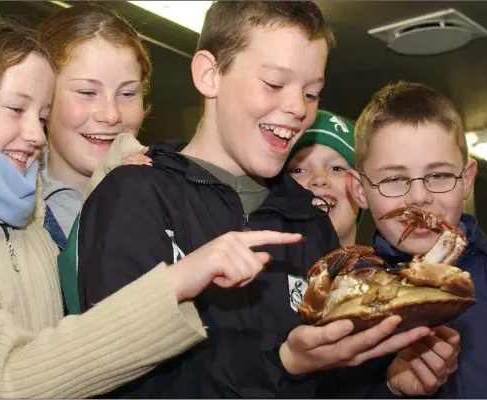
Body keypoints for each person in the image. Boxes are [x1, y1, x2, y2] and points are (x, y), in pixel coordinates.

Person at [0, 20, 301, 399]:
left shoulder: (23, 222)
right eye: (16, 110)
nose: (37, 135)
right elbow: (8, 378)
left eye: (42, 116)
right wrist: (177, 281)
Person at [73, 2, 453, 397]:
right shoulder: (136, 196)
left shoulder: (310, 225)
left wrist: (390, 385)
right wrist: (282, 363)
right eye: (274, 83)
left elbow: (334, 384)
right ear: (210, 74)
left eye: (311, 93)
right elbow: (123, 377)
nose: (296, 108)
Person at [348, 81, 487, 398]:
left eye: (439, 175)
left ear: (467, 179)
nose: (419, 197)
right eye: (393, 178)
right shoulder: (345, 299)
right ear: (360, 189)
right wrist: (389, 389)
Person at [38, 4, 151, 250]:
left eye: (128, 93)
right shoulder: (1, 217)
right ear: (43, 98)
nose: (111, 115)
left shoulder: (171, 198)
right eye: (88, 92)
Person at [285, 109, 362, 246]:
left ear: (362, 189)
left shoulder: (402, 267)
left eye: (336, 169)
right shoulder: (250, 267)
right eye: (298, 170)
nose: (319, 179)